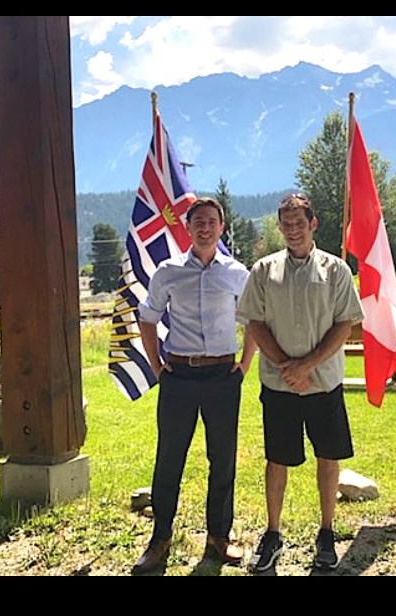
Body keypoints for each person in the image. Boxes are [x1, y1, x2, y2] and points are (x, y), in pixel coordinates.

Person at [236, 193, 365, 573]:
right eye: (286, 224)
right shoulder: (262, 271)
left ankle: (326, 532)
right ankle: (273, 532)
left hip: (323, 383)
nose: (293, 230)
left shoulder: (336, 270)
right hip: (279, 387)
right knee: (278, 459)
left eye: (299, 223)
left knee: (329, 456)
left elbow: (345, 324)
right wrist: (285, 367)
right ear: (280, 228)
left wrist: (307, 365)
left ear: (313, 224)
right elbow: (254, 322)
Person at [132, 196, 258, 575]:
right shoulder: (168, 272)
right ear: (188, 228)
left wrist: (245, 365)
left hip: (223, 377)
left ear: (222, 228)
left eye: (212, 221)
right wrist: (157, 367)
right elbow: (148, 318)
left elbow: (254, 319)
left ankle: (219, 537)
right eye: (198, 221)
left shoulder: (237, 273)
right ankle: (160, 538)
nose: (205, 227)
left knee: (222, 458)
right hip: (179, 378)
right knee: (169, 458)